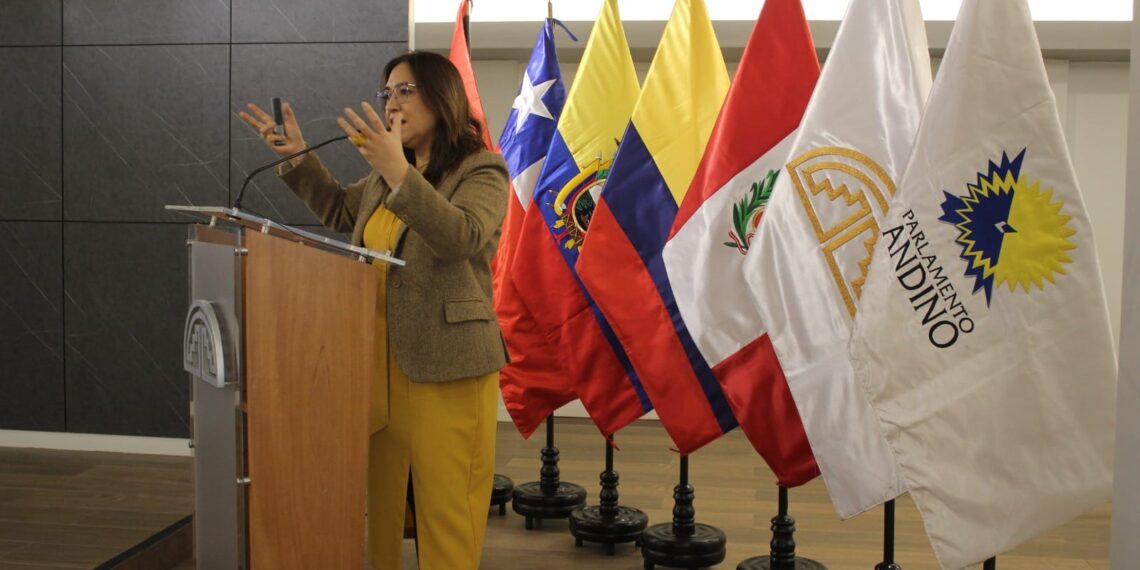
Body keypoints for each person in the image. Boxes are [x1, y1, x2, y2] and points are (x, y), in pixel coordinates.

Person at [239, 50, 508, 570]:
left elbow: (464, 237)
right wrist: (298, 157)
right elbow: (341, 209)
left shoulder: (480, 169)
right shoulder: (391, 175)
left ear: (442, 98)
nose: (391, 104)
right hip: (379, 363)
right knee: (383, 502)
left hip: (447, 363)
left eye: (405, 91)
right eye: (386, 93)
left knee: (448, 502)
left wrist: (399, 174)